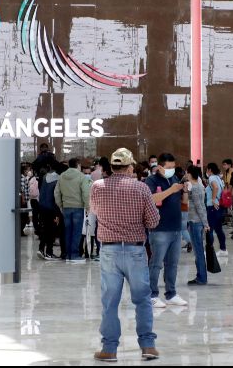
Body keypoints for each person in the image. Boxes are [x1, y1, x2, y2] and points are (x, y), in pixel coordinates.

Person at [90, 148, 160, 362]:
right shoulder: (141, 188)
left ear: (111, 168)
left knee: (110, 302)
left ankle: (109, 349)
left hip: (109, 250)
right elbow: (153, 221)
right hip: (135, 251)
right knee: (142, 299)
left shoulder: (97, 187)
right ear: (130, 167)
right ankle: (148, 346)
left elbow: (94, 211)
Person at [145, 153, 189, 308]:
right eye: (168, 167)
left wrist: (184, 190)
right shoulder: (151, 180)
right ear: (160, 167)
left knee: (173, 263)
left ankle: (171, 293)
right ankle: (151, 294)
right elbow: (152, 199)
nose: (171, 170)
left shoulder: (175, 179)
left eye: (173, 167)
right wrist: (171, 189)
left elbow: (183, 202)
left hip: (176, 227)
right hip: (159, 228)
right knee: (156, 264)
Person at [55, 158, 91, 263]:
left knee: (67, 232)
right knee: (76, 232)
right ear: (78, 165)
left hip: (66, 207)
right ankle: (74, 255)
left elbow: (56, 192)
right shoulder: (81, 177)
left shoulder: (61, 176)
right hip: (78, 207)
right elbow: (85, 192)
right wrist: (87, 206)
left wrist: (60, 205)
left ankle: (67, 254)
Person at [185, 165, 208, 286]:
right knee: (199, 250)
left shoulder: (195, 187)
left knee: (198, 251)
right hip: (197, 221)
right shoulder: (199, 186)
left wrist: (205, 223)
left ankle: (201, 278)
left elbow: (200, 206)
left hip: (195, 222)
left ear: (189, 174)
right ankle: (201, 276)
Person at [37, 163, 61, 261]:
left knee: (44, 228)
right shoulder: (58, 179)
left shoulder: (44, 177)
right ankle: (49, 252)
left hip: (42, 206)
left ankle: (41, 248)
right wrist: (57, 213)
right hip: (51, 208)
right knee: (51, 230)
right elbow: (56, 196)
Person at [205, 163, 228, 257]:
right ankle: (223, 249)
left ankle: (209, 250)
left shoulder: (211, 178)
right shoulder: (218, 178)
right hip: (220, 206)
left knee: (209, 228)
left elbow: (215, 187)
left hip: (213, 206)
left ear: (210, 169)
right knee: (218, 229)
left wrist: (213, 199)